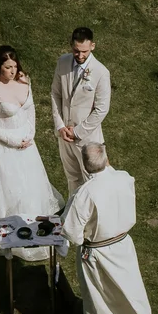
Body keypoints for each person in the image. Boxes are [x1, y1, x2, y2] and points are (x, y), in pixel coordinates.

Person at [0, 45, 62, 263]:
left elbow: (31, 108)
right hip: (2, 145)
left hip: (26, 142)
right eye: (8, 67)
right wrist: (13, 141)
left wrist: (31, 134)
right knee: (7, 186)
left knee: (29, 182)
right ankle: (8, 225)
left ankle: (31, 220)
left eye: (14, 66)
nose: (13, 71)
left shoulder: (24, 80)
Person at [61, 142, 158, 314]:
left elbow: (71, 232)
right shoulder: (124, 178)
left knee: (97, 298)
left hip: (97, 253)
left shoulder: (84, 194)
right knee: (127, 289)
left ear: (85, 167)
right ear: (106, 159)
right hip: (123, 246)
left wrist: (82, 239)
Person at [51, 26, 111, 195]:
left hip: (87, 138)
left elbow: (101, 109)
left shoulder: (101, 72)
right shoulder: (62, 62)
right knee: (72, 178)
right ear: (71, 45)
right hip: (64, 135)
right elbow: (55, 94)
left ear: (92, 46)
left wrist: (77, 131)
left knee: (92, 182)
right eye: (76, 51)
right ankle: (73, 215)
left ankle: (94, 220)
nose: (80, 55)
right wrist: (60, 126)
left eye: (84, 51)